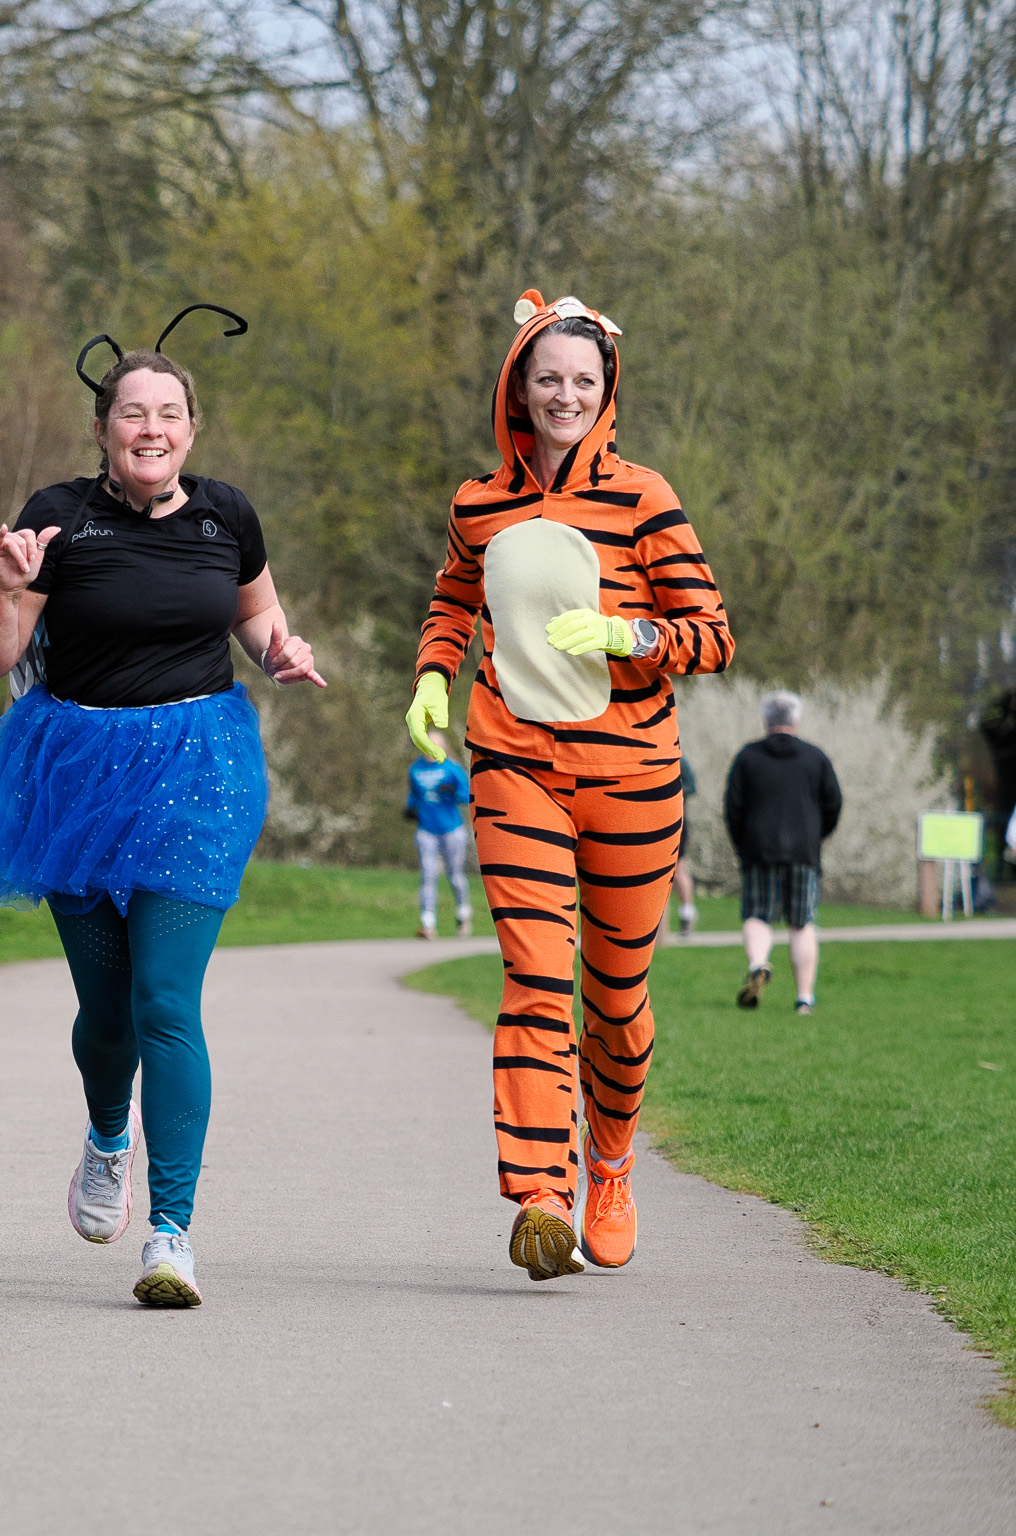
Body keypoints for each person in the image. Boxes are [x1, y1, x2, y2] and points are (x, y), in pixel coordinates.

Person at [0, 313, 323, 1308]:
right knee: (104, 1012)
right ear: (104, 428)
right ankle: (106, 1132)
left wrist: (280, 649)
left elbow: (252, 611)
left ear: (191, 429)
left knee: (164, 1000)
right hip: (73, 770)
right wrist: (4, 589)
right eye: (130, 413)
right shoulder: (56, 515)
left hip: (198, 767)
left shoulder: (226, 516)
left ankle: (171, 1234)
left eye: (167, 413)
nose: (148, 427)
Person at [403, 291, 735, 1282]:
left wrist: (630, 635)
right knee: (535, 977)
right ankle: (539, 1196)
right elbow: (454, 597)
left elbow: (711, 636)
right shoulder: (477, 502)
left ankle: (608, 1162)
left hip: (632, 775)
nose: (563, 395)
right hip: (513, 763)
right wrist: (431, 673)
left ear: (605, 389)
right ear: (516, 385)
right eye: (545, 377)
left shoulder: (644, 498)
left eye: (580, 381)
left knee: (615, 1002)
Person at [723, 691, 842, 1016]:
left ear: (765, 720)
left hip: (758, 850)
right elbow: (834, 805)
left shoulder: (747, 757)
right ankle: (804, 998)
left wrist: (742, 845)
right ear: (796, 720)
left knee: (758, 916)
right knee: (802, 924)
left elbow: (732, 808)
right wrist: (816, 837)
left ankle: (759, 963)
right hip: (804, 852)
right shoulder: (815, 758)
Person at [406, 729, 472, 938]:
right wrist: (410, 808)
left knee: (455, 876)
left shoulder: (452, 768)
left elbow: (467, 794)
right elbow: (414, 796)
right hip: (426, 830)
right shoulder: (415, 769)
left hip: (452, 829)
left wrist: (452, 791)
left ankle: (463, 915)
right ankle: (428, 924)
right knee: (428, 875)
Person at [666, 755, 700, 938]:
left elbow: (691, 787)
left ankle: (687, 912)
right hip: (651, 823)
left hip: (676, 822)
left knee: (679, 870)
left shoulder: (679, 760)